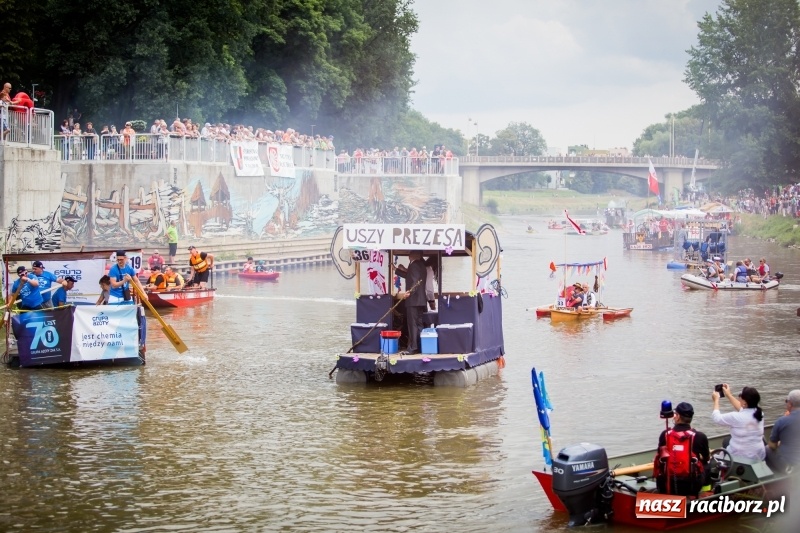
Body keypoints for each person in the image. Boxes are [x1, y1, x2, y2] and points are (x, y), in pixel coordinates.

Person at [655, 402, 710, 496]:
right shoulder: (700, 437)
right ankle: (706, 492)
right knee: (707, 464)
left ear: (677, 416)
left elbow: (659, 455)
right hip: (691, 486)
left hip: (667, 484)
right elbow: (706, 458)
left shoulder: (665, 435)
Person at [711, 384, 766, 461]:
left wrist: (716, 400)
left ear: (745, 403)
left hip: (741, 458)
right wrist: (729, 395)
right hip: (758, 455)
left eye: (741, 397)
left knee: (726, 441)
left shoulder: (735, 417)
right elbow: (742, 408)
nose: (739, 398)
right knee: (727, 440)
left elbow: (716, 418)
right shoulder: (760, 413)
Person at [395, 250, 427, 355]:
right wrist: (396, 270)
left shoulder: (414, 265)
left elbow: (415, 281)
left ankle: (413, 348)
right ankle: (422, 346)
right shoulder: (421, 265)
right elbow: (410, 276)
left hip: (414, 300)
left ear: (411, 256)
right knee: (419, 324)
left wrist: (409, 292)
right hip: (420, 300)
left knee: (412, 324)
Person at [767, 389, 800, 473]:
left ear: (790, 404)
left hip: (791, 465)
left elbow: (772, 445)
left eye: (786, 401)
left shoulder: (781, 421)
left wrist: (780, 443)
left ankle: (775, 474)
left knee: (767, 449)